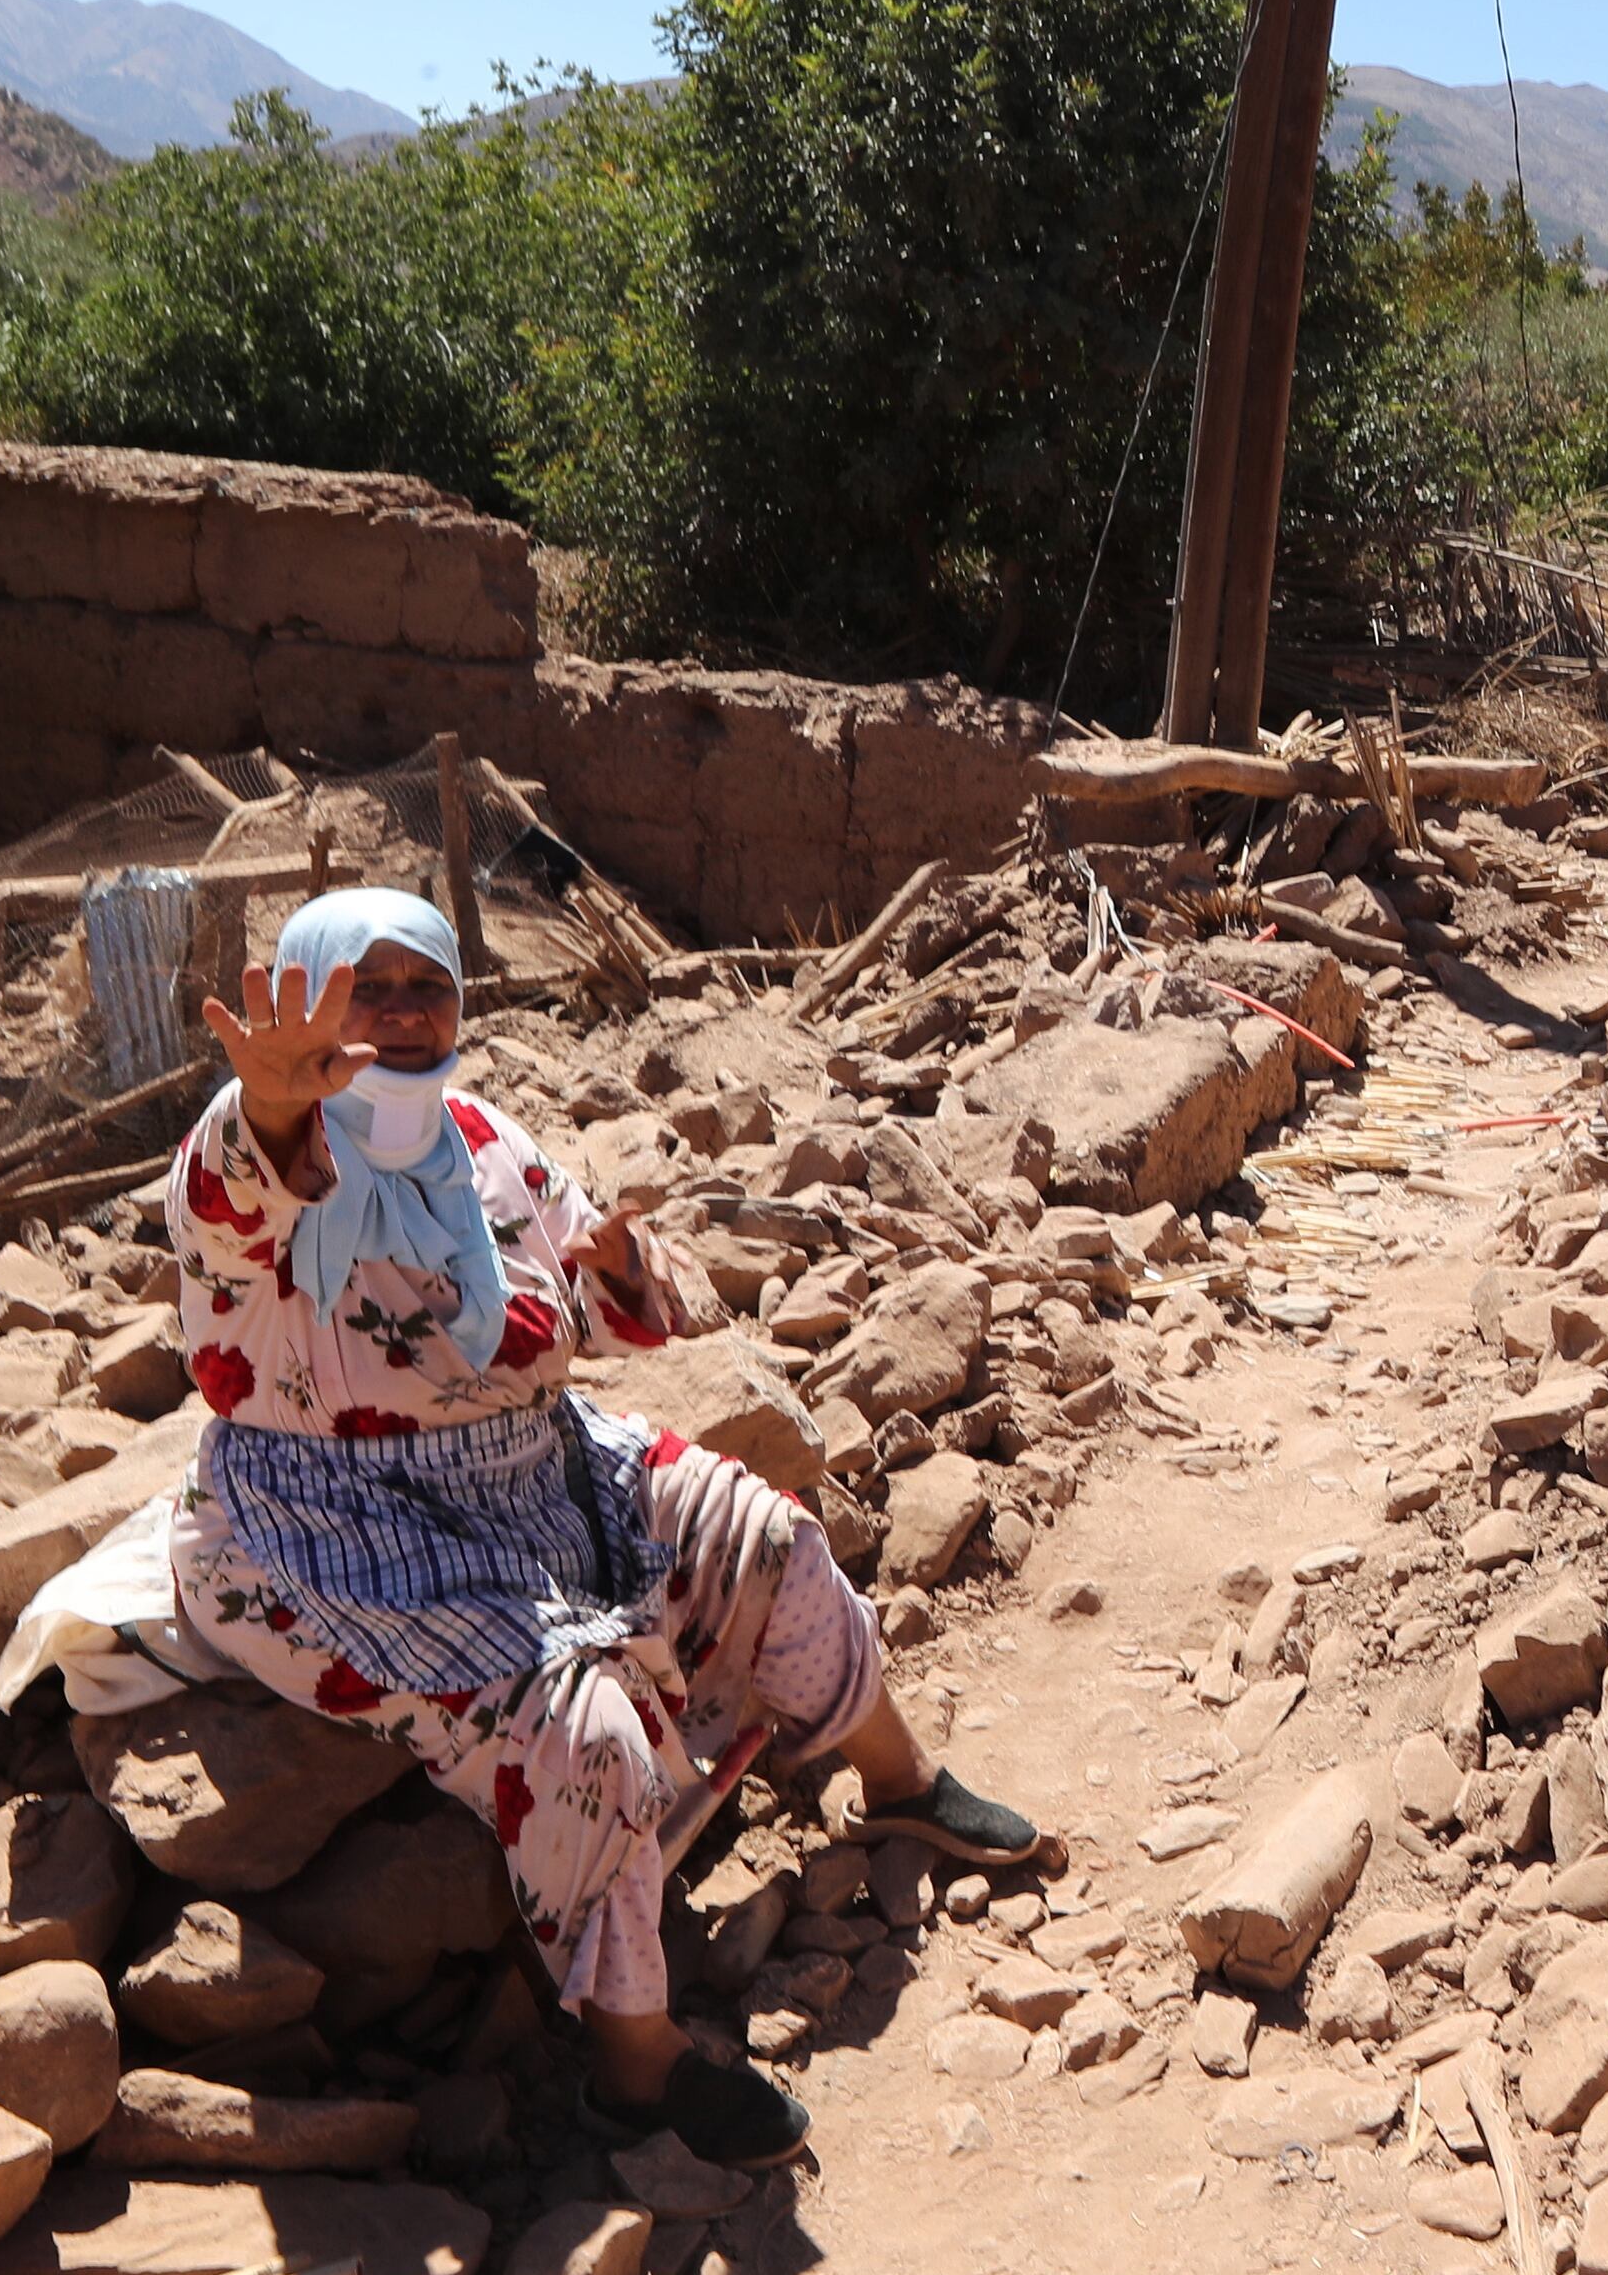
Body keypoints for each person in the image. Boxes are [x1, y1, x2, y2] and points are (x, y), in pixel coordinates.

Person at [164, 887, 1039, 2165]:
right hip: (334, 1521)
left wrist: (622, 1266)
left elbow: (616, 1298)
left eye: (430, 986)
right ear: (312, 1001)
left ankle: (896, 1781)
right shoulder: (267, 1155)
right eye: (371, 988)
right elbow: (224, 1208)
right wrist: (274, 1103)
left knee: (767, 1538)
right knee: (576, 1723)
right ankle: (635, 2062)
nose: (405, 1013)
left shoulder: (481, 1138)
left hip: (536, 1466)